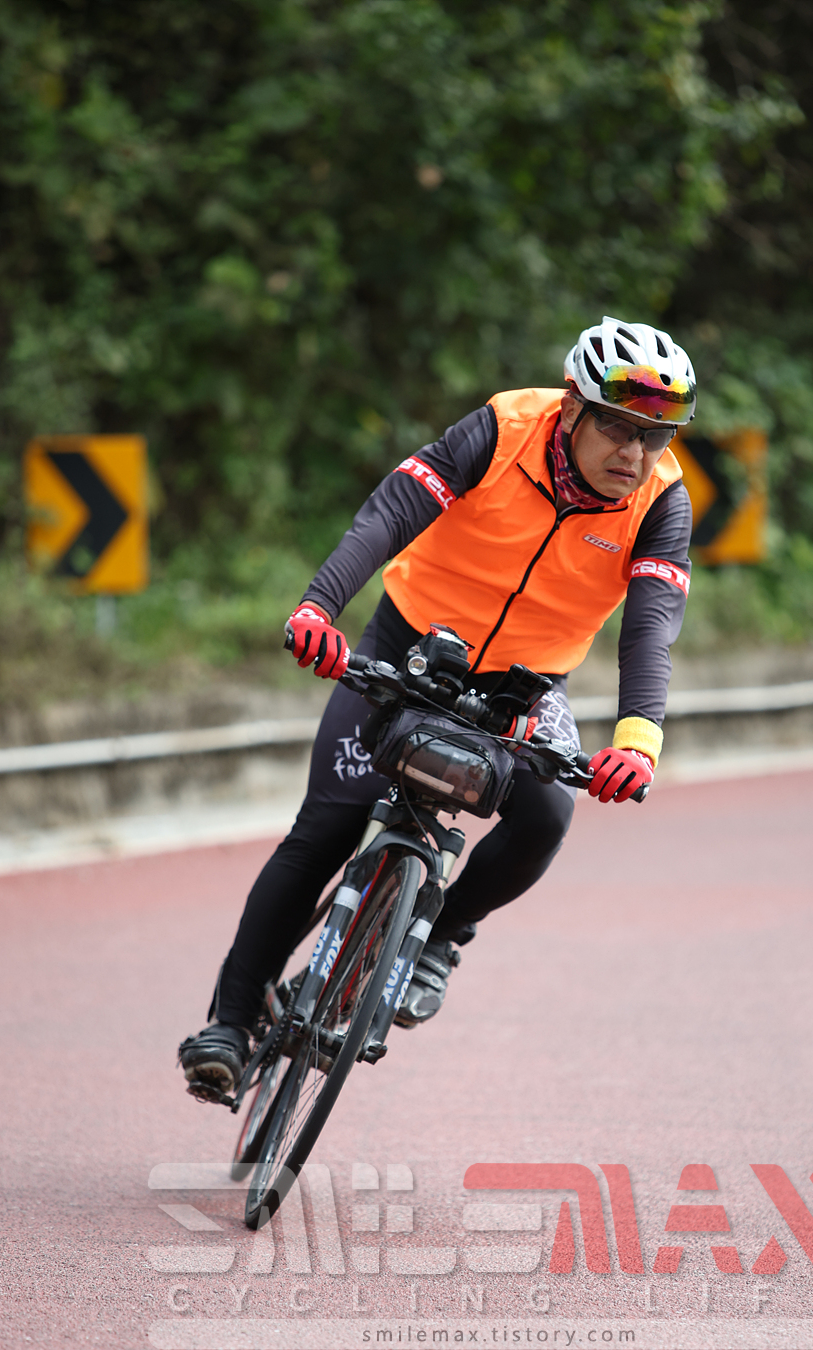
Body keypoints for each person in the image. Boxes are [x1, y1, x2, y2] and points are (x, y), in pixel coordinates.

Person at [178, 316, 698, 1098]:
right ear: (571, 407)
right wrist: (319, 607)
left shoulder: (662, 501)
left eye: (655, 437)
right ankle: (231, 1018)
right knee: (327, 827)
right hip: (412, 646)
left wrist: (638, 739)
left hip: (527, 686)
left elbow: (650, 629)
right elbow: (391, 512)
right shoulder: (503, 428)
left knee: (547, 816)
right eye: (619, 428)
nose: (635, 453)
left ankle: (439, 937)